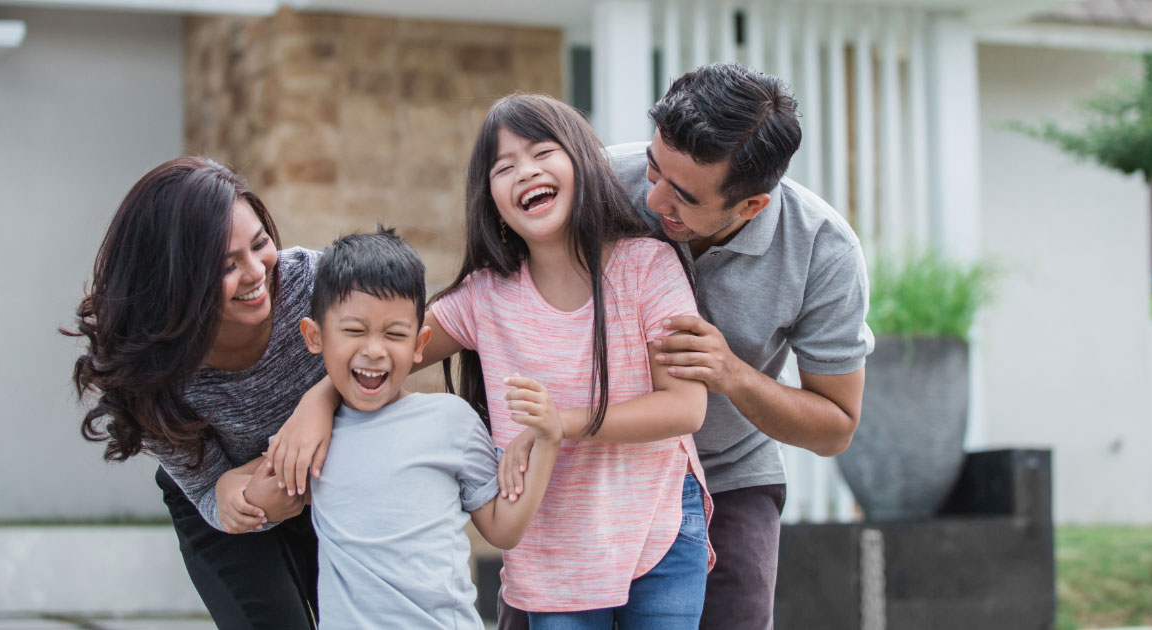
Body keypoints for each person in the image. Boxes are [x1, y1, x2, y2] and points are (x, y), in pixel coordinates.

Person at [267, 94, 715, 630]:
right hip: (550, 544)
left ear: (582, 162)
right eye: (504, 167)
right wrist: (317, 400)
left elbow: (686, 408)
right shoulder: (484, 296)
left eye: (542, 153)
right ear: (492, 199)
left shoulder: (647, 266)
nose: (525, 172)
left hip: (656, 523)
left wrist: (562, 424)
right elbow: (390, 350)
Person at [496, 63, 875, 630]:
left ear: (751, 207)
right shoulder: (595, 183)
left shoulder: (823, 252)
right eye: (653, 169)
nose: (651, 201)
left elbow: (836, 426)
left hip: (725, 474)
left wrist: (734, 375)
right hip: (584, 470)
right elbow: (485, 294)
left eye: (684, 197)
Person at [67, 156, 340, 629]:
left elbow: (391, 357)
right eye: (226, 265)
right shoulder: (146, 373)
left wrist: (322, 399)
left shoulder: (320, 286)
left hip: (330, 477)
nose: (256, 272)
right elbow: (217, 494)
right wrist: (238, 495)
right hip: (217, 498)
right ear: (173, 279)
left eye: (260, 244)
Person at [277, 228, 562, 630]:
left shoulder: (452, 421)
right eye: (355, 331)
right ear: (314, 336)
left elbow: (504, 528)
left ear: (419, 343)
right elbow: (267, 496)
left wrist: (549, 440)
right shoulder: (311, 435)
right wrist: (226, 489)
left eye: (394, 334)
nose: (374, 350)